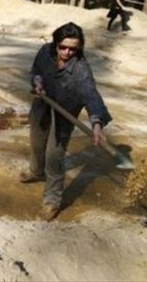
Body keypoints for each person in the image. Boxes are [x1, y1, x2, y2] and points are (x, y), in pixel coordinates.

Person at [20, 22, 112, 221]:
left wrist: (96, 123)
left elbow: (91, 95)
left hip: (65, 113)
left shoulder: (81, 69)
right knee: (36, 143)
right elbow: (36, 70)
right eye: (63, 47)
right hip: (43, 102)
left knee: (55, 157)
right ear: (56, 44)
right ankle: (36, 172)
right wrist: (37, 81)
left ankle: (52, 201)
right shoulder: (45, 52)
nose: (67, 52)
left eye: (73, 49)